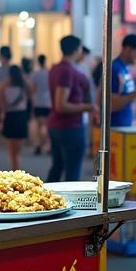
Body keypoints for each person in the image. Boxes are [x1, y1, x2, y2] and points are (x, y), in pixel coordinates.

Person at [47, 35, 94, 182]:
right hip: (69, 127)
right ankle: (70, 204)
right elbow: (61, 104)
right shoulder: (66, 71)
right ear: (76, 49)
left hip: (56, 125)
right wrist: (89, 107)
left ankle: (46, 202)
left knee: (57, 166)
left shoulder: (56, 68)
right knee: (72, 172)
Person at [110, 34, 136, 127]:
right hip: (115, 126)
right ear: (127, 49)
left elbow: (125, 95)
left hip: (125, 124)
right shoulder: (115, 69)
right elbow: (113, 104)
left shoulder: (125, 69)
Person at [0, 64, 30, 170]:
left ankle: (14, 168)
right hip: (21, 116)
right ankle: (17, 169)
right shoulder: (24, 85)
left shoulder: (4, 85)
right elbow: (31, 94)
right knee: (19, 149)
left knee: (11, 149)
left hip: (9, 116)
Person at [31, 54, 52, 154]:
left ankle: (39, 145)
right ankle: (48, 144)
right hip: (48, 102)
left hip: (38, 102)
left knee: (39, 126)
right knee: (48, 125)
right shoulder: (49, 73)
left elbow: (33, 89)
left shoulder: (35, 74)